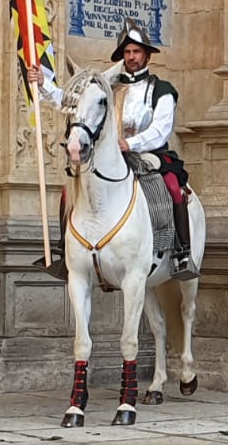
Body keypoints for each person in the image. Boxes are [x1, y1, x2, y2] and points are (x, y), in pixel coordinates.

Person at [27, 21, 197, 280]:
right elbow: (70, 101)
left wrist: (130, 143)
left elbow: (161, 130)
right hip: (109, 156)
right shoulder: (106, 87)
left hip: (147, 154)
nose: (131, 57)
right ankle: (65, 253)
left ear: (147, 55)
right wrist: (42, 84)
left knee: (173, 185)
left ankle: (181, 253)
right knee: (68, 190)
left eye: (136, 52)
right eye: (127, 52)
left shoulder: (161, 90)